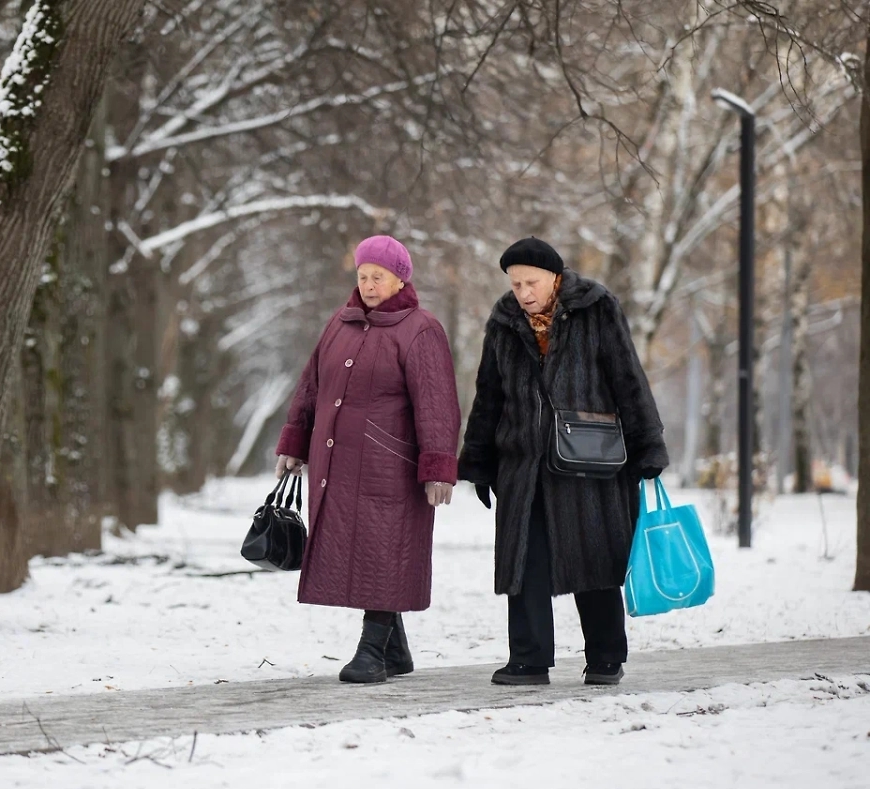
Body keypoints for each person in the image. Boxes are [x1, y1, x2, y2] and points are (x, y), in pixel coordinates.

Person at [458, 236, 668, 686]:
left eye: (531, 282)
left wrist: (648, 445)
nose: (524, 292)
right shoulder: (504, 320)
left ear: (555, 276)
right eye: (515, 284)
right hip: (524, 462)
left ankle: (606, 656)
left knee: (595, 558)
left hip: (590, 459)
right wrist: (477, 459)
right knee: (525, 563)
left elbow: (628, 378)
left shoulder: (597, 308)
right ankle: (529, 659)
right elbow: (489, 394)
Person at [275, 234, 461, 684]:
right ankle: (394, 651)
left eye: (379, 276)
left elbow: (437, 404)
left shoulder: (422, 329)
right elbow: (310, 387)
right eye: (363, 276)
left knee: (384, 551)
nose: (370, 283)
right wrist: (293, 443)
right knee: (357, 551)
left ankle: (372, 651)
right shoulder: (339, 324)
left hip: (390, 467)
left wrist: (439, 468)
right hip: (336, 464)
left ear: (400, 280)